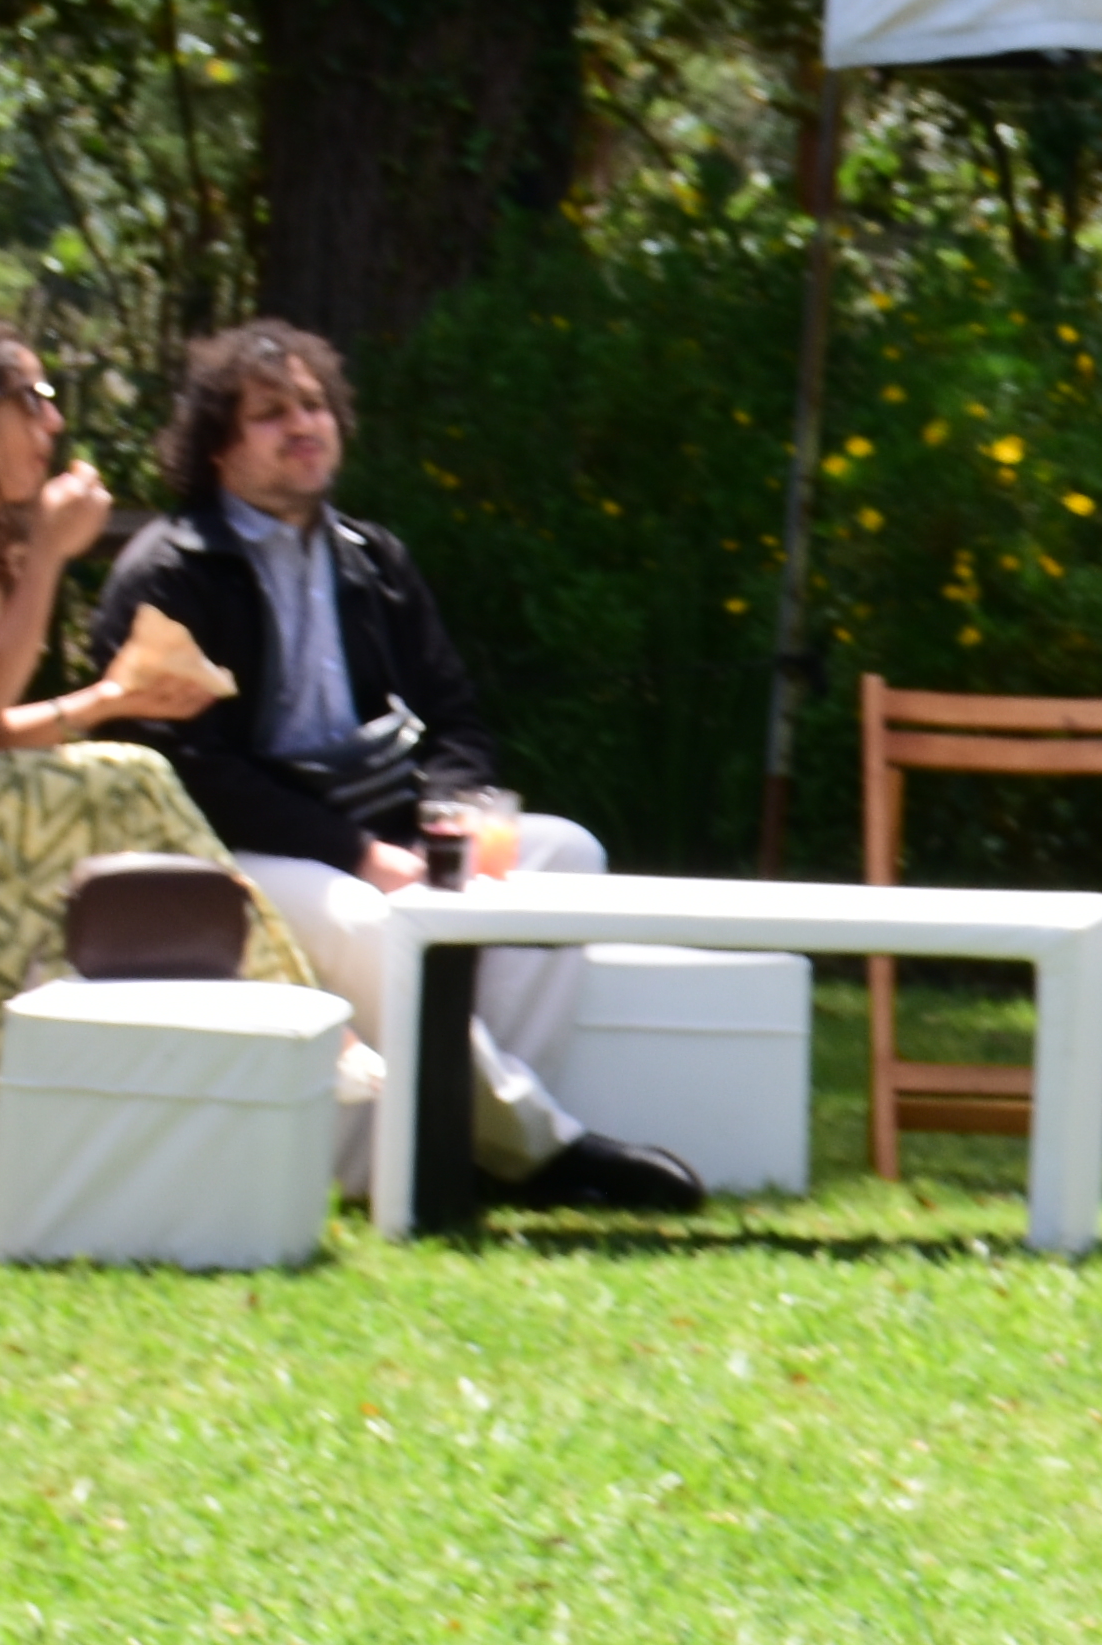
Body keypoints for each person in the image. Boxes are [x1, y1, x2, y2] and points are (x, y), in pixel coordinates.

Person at [80, 319, 702, 1213]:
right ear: (217, 446)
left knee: (563, 856)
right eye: (270, 414)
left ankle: (466, 1150)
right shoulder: (172, 572)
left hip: (386, 827)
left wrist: (446, 822)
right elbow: (185, 766)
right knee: (368, 914)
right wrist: (358, 851)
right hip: (238, 850)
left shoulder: (375, 560)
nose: (304, 424)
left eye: (314, 404)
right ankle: (541, 1150)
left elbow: (453, 717)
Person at [0, 320, 329, 1221]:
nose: (54, 424)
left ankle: (220, 1053)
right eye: (32, 399)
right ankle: (283, 1015)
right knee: (127, 783)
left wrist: (106, 698)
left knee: (117, 772)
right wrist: (49, 550)